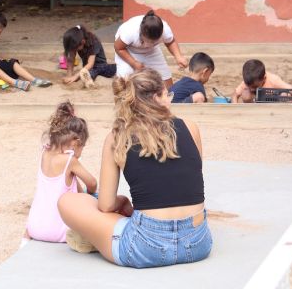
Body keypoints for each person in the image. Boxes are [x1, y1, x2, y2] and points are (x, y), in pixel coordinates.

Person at [58, 69, 212, 268]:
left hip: (146, 246)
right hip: (198, 242)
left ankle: (98, 238)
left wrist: (121, 201)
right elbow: (188, 181)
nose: (170, 100)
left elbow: (105, 206)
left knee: (68, 201)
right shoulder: (190, 127)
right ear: (156, 98)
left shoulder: (117, 138)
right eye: (168, 94)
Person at [25, 102, 97, 243]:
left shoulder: (45, 153)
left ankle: (24, 241)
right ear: (76, 142)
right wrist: (91, 194)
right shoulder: (69, 160)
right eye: (82, 146)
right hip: (60, 231)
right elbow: (93, 183)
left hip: (35, 227)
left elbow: (68, 187)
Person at [114, 10, 188, 88]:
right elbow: (119, 48)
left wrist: (178, 56)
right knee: (124, 83)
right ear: (141, 33)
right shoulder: (130, 31)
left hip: (151, 51)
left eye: (154, 41)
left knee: (166, 83)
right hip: (128, 50)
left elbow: (170, 42)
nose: (151, 43)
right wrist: (134, 63)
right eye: (149, 41)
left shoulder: (165, 29)